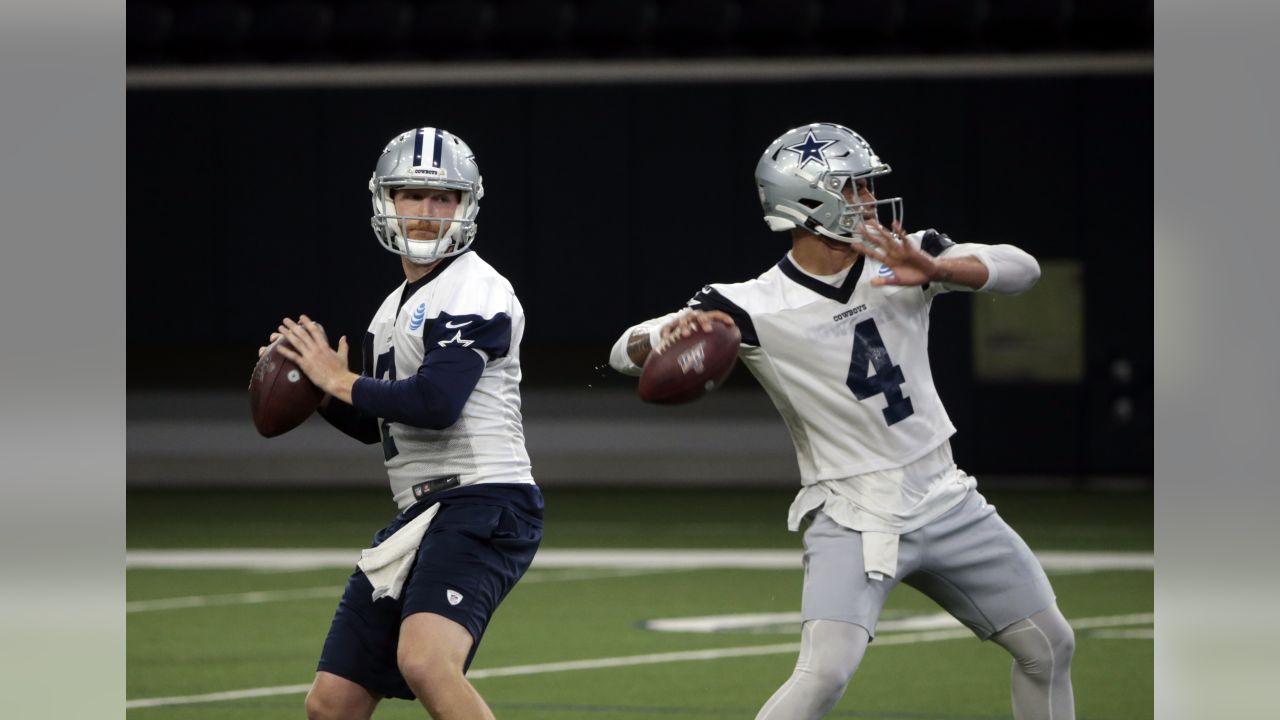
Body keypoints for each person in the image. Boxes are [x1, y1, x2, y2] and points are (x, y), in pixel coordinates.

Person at [608, 122, 1075, 720]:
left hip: (946, 495)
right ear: (806, 203)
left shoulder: (907, 255)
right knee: (824, 675)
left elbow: (1022, 267)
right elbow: (626, 352)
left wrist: (937, 269)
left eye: (865, 187)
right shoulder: (747, 304)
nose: (868, 201)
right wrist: (661, 335)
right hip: (854, 512)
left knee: (1049, 646)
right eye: (852, 188)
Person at [264, 126, 542, 720]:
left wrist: (340, 380)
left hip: (485, 500)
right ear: (385, 201)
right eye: (411, 195)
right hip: (421, 511)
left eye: (443, 198)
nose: (425, 212)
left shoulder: (477, 287)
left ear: (468, 206)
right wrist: (320, 394)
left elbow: (437, 403)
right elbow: (380, 425)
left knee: (426, 662)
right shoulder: (391, 308)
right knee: (331, 703)